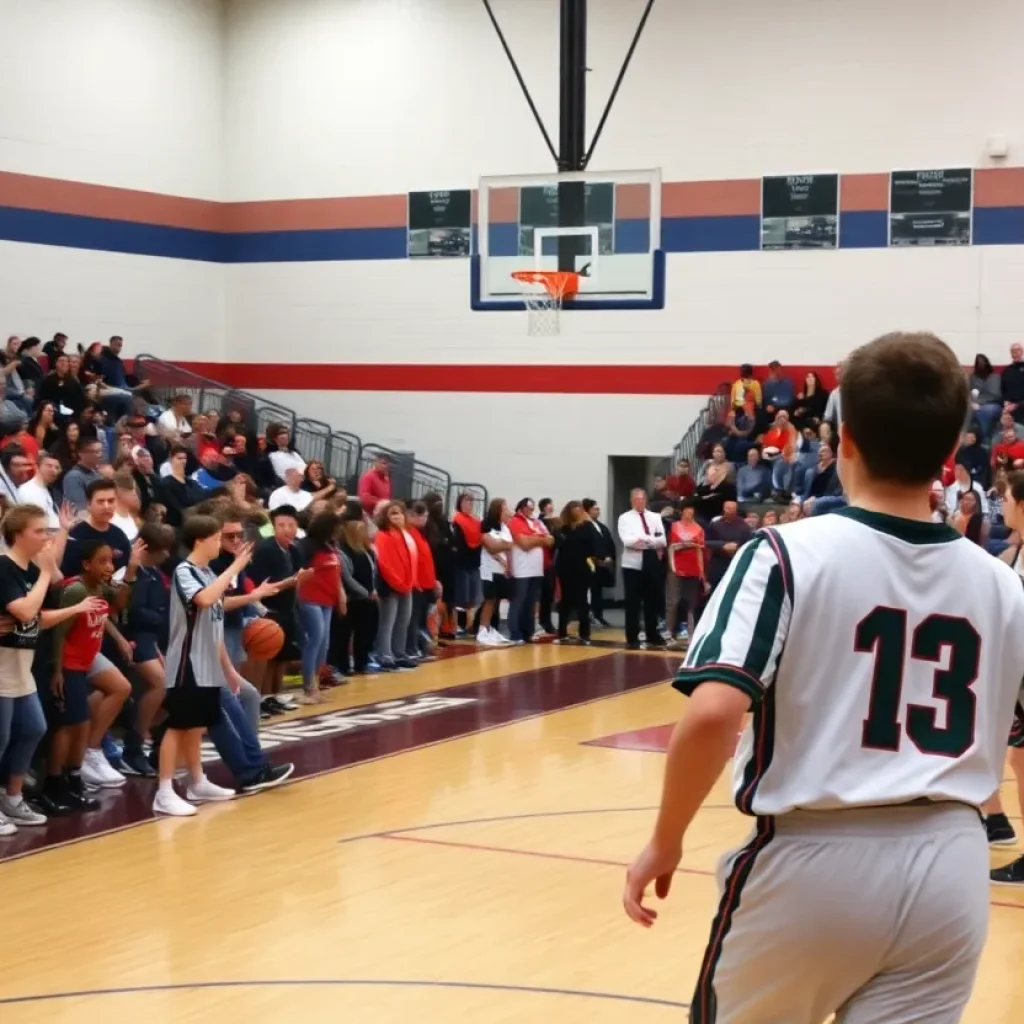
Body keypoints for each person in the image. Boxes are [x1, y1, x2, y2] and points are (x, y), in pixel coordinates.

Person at [623, 330, 1024, 1024]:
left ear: (844, 443)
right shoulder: (1003, 585)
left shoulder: (782, 552)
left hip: (814, 855)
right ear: (950, 455)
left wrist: (666, 836)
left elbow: (716, 713)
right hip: (952, 866)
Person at [0, 505, 105, 831]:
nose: (46, 536)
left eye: (48, 530)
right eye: (39, 531)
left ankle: (13, 798)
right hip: (2, 669)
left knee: (34, 728)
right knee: (1, 740)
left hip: (22, 667)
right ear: (19, 534)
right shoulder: (4, 568)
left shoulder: (30, 569)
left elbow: (39, 618)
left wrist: (75, 606)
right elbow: (24, 610)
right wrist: (46, 573)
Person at [154, 515, 248, 817]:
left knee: (196, 725)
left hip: (207, 661)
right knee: (179, 725)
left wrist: (228, 669)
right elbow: (205, 600)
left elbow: (214, 624)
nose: (220, 543)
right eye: (217, 538)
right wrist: (235, 568)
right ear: (200, 540)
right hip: (187, 661)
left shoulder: (207, 572)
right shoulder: (185, 571)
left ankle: (197, 782)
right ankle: (164, 792)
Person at [248, 506, 309, 713]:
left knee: (283, 655)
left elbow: (299, 577)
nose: (286, 529)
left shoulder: (293, 549)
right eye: (281, 525)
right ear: (273, 527)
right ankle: (263, 697)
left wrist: (298, 581)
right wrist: (290, 582)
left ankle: (275, 695)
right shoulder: (266, 550)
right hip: (268, 610)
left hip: (288, 608)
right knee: (268, 653)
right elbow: (260, 587)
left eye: (291, 525)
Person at [296, 512, 345, 703]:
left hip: (327, 599)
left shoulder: (329, 546)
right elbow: (299, 574)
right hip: (309, 598)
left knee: (323, 644)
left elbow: (336, 573)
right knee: (315, 640)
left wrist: (340, 596)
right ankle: (308, 688)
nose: (338, 532)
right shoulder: (306, 546)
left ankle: (315, 684)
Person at [617, 489, 667, 649]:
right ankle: (632, 636)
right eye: (636, 499)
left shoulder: (655, 517)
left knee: (652, 599)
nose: (639, 502)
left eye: (642, 499)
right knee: (633, 601)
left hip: (651, 559)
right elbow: (628, 541)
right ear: (631, 501)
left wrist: (644, 540)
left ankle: (652, 634)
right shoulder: (624, 518)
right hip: (632, 563)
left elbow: (662, 541)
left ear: (646, 500)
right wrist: (650, 540)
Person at [506, 498, 553, 644]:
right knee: (518, 601)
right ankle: (515, 632)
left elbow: (551, 540)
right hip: (521, 569)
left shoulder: (537, 522)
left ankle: (528, 631)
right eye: (528, 507)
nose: (530, 511)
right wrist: (540, 539)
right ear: (521, 507)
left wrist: (534, 538)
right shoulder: (515, 521)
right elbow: (524, 544)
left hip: (536, 568)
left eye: (532, 508)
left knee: (531, 603)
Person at [666, 498, 707, 645]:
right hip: (676, 566)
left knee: (691, 603)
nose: (689, 515)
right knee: (673, 601)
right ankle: (669, 632)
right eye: (687, 512)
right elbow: (670, 546)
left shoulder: (699, 529)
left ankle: (691, 634)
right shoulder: (674, 527)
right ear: (682, 512)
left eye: (692, 512)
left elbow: (700, 551)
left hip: (693, 568)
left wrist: (702, 572)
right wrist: (672, 566)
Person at [553, 500, 594, 644]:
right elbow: (557, 544)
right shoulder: (562, 528)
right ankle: (562, 633)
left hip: (581, 568)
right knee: (565, 602)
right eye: (574, 508)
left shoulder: (587, 526)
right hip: (565, 568)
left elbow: (592, 546)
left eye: (579, 508)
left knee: (582, 601)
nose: (577, 510)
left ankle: (584, 635)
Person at [476, 498, 513, 646]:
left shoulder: (504, 528)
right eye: (504, 510)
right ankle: (482, 630)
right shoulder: (486, 526)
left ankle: (490, 629)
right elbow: (491, 547)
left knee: (496, 600)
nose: (507, 512)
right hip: (489, 569)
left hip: (501, 570)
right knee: (489, 600)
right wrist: (502, 546)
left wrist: (502, 545)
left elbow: (509, 545)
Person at [581, 499, 615, 628]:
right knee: (588, 590)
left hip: (603, 563)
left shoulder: (601, 526)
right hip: (590, 563)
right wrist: (596, 559)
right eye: (595, 509)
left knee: (597, 591)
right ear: (587, 510)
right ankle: (588, 615)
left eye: (598, 509)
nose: (598, 511)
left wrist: (608, 556)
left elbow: (608, 543)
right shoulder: (584, 526)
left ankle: (598, 615)